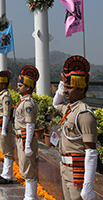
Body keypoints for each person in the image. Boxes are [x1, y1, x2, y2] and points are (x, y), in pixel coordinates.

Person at [53, 56, 97, 200]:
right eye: (65, 87)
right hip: (65, 169)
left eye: (69, 87)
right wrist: (59, 91)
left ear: (81, 88)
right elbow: (55, 104)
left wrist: (88, 185)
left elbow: (91, 151)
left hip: (77, 173)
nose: (65, 91)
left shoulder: (84, 113)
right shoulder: (70, 109)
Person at [14, 66, 40, 200]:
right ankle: (28, 195)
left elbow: (30, 125)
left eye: (20, 85)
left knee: (28, 169)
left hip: (25, 139)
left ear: (28, 88)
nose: (17, 88)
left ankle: (30, 197)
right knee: (25, 168)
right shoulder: (23, 102)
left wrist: (28, 144)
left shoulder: (28, 104)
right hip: (21, 139)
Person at [0, 70, 14, 184]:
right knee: (4, 149)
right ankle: (4, 173)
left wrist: (4, 128)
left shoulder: (6, 96)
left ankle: (7, 175)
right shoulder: (0, 95)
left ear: (4, 85)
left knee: (7, 150)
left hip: (2, 124)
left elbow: (6, 113)